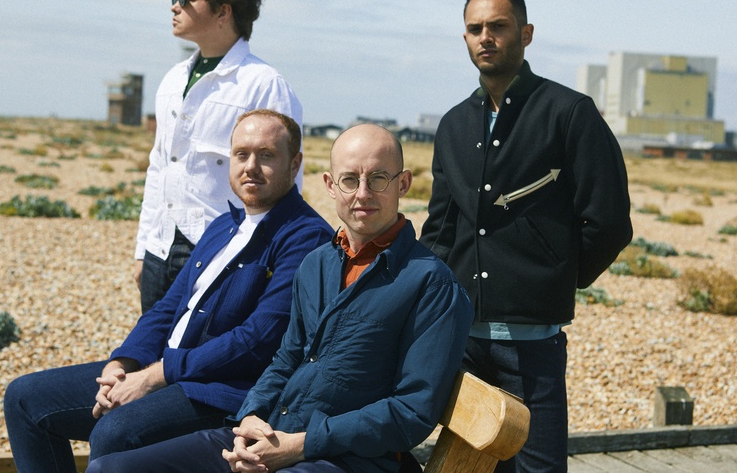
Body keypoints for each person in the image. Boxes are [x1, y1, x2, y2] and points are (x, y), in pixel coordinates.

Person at [86, 123, 474, 473]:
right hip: (274, 433)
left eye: (378, 179)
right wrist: (252, 414)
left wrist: (301, 446)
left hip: (351, 459)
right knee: (111, 469)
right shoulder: (317, 263)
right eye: (349, 180)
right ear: (329, 184)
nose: (363, 194)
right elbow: (286, 358)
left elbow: (412, 411)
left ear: (403, 184)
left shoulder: (431, 285)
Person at [4, 110, 332, 472]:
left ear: (295, 163)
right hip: (164, 369)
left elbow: (256, 340)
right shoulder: (223, 225)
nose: (250, 166)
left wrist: (153, 377)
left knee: (114, 431)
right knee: (24, 398)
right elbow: (167, 308)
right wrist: (123, 363)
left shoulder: (306, 237)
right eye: (241, 154)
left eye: (266, 155)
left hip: (220, 391)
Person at [419, 0, 633, 472]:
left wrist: (557, 276)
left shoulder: (568, 113)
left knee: (538, 468)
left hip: (532, 348)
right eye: (475, 29)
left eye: (498, 26)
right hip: (462, 341)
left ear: (526, 33)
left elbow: (610, 221)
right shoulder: (454, 124)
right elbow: (441, 228)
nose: (485, 38)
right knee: (458, 468)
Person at [136, 0, 303, 313]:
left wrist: (273, 266)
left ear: (223, 12)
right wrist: (143, 249)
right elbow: (159, 167)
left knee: (203, 363)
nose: (174, 4)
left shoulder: (264, 84)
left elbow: (287, 180)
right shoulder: (172, 80)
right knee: (147, 356)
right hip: (160, 248)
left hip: (225, 251)